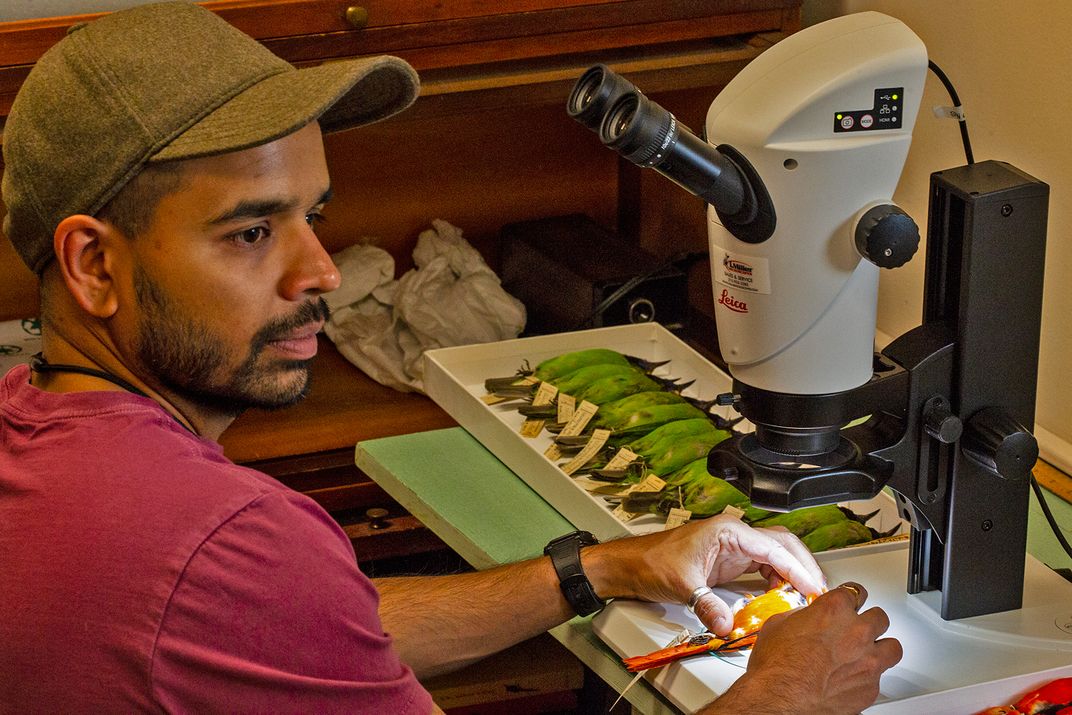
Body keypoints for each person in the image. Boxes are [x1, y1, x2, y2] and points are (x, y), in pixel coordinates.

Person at [0, 3, 901, 713]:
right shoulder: (227, 544)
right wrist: (786, 693)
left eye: (309, 217)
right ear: (93, 264)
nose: (320, 272)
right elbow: (259, 593)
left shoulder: (33, 433)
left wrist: (601, 568)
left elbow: (308, 632)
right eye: (249, 232)